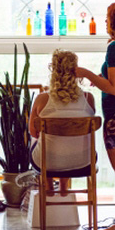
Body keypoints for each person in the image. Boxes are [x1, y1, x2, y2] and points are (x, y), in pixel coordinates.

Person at [75, 0, 115, 230]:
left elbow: (114, 88)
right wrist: (101, 77)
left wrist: (87, 73)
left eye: (108, 18)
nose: (105, 22)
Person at [29, 49, 95, 196]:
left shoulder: (42, 99)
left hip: (47, 164)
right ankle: (64, 185)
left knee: (39, 140)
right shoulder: (88, 98)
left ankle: (49, 185)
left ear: (53, 70)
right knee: (72, 142)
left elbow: (33, 131)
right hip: (83, 163)